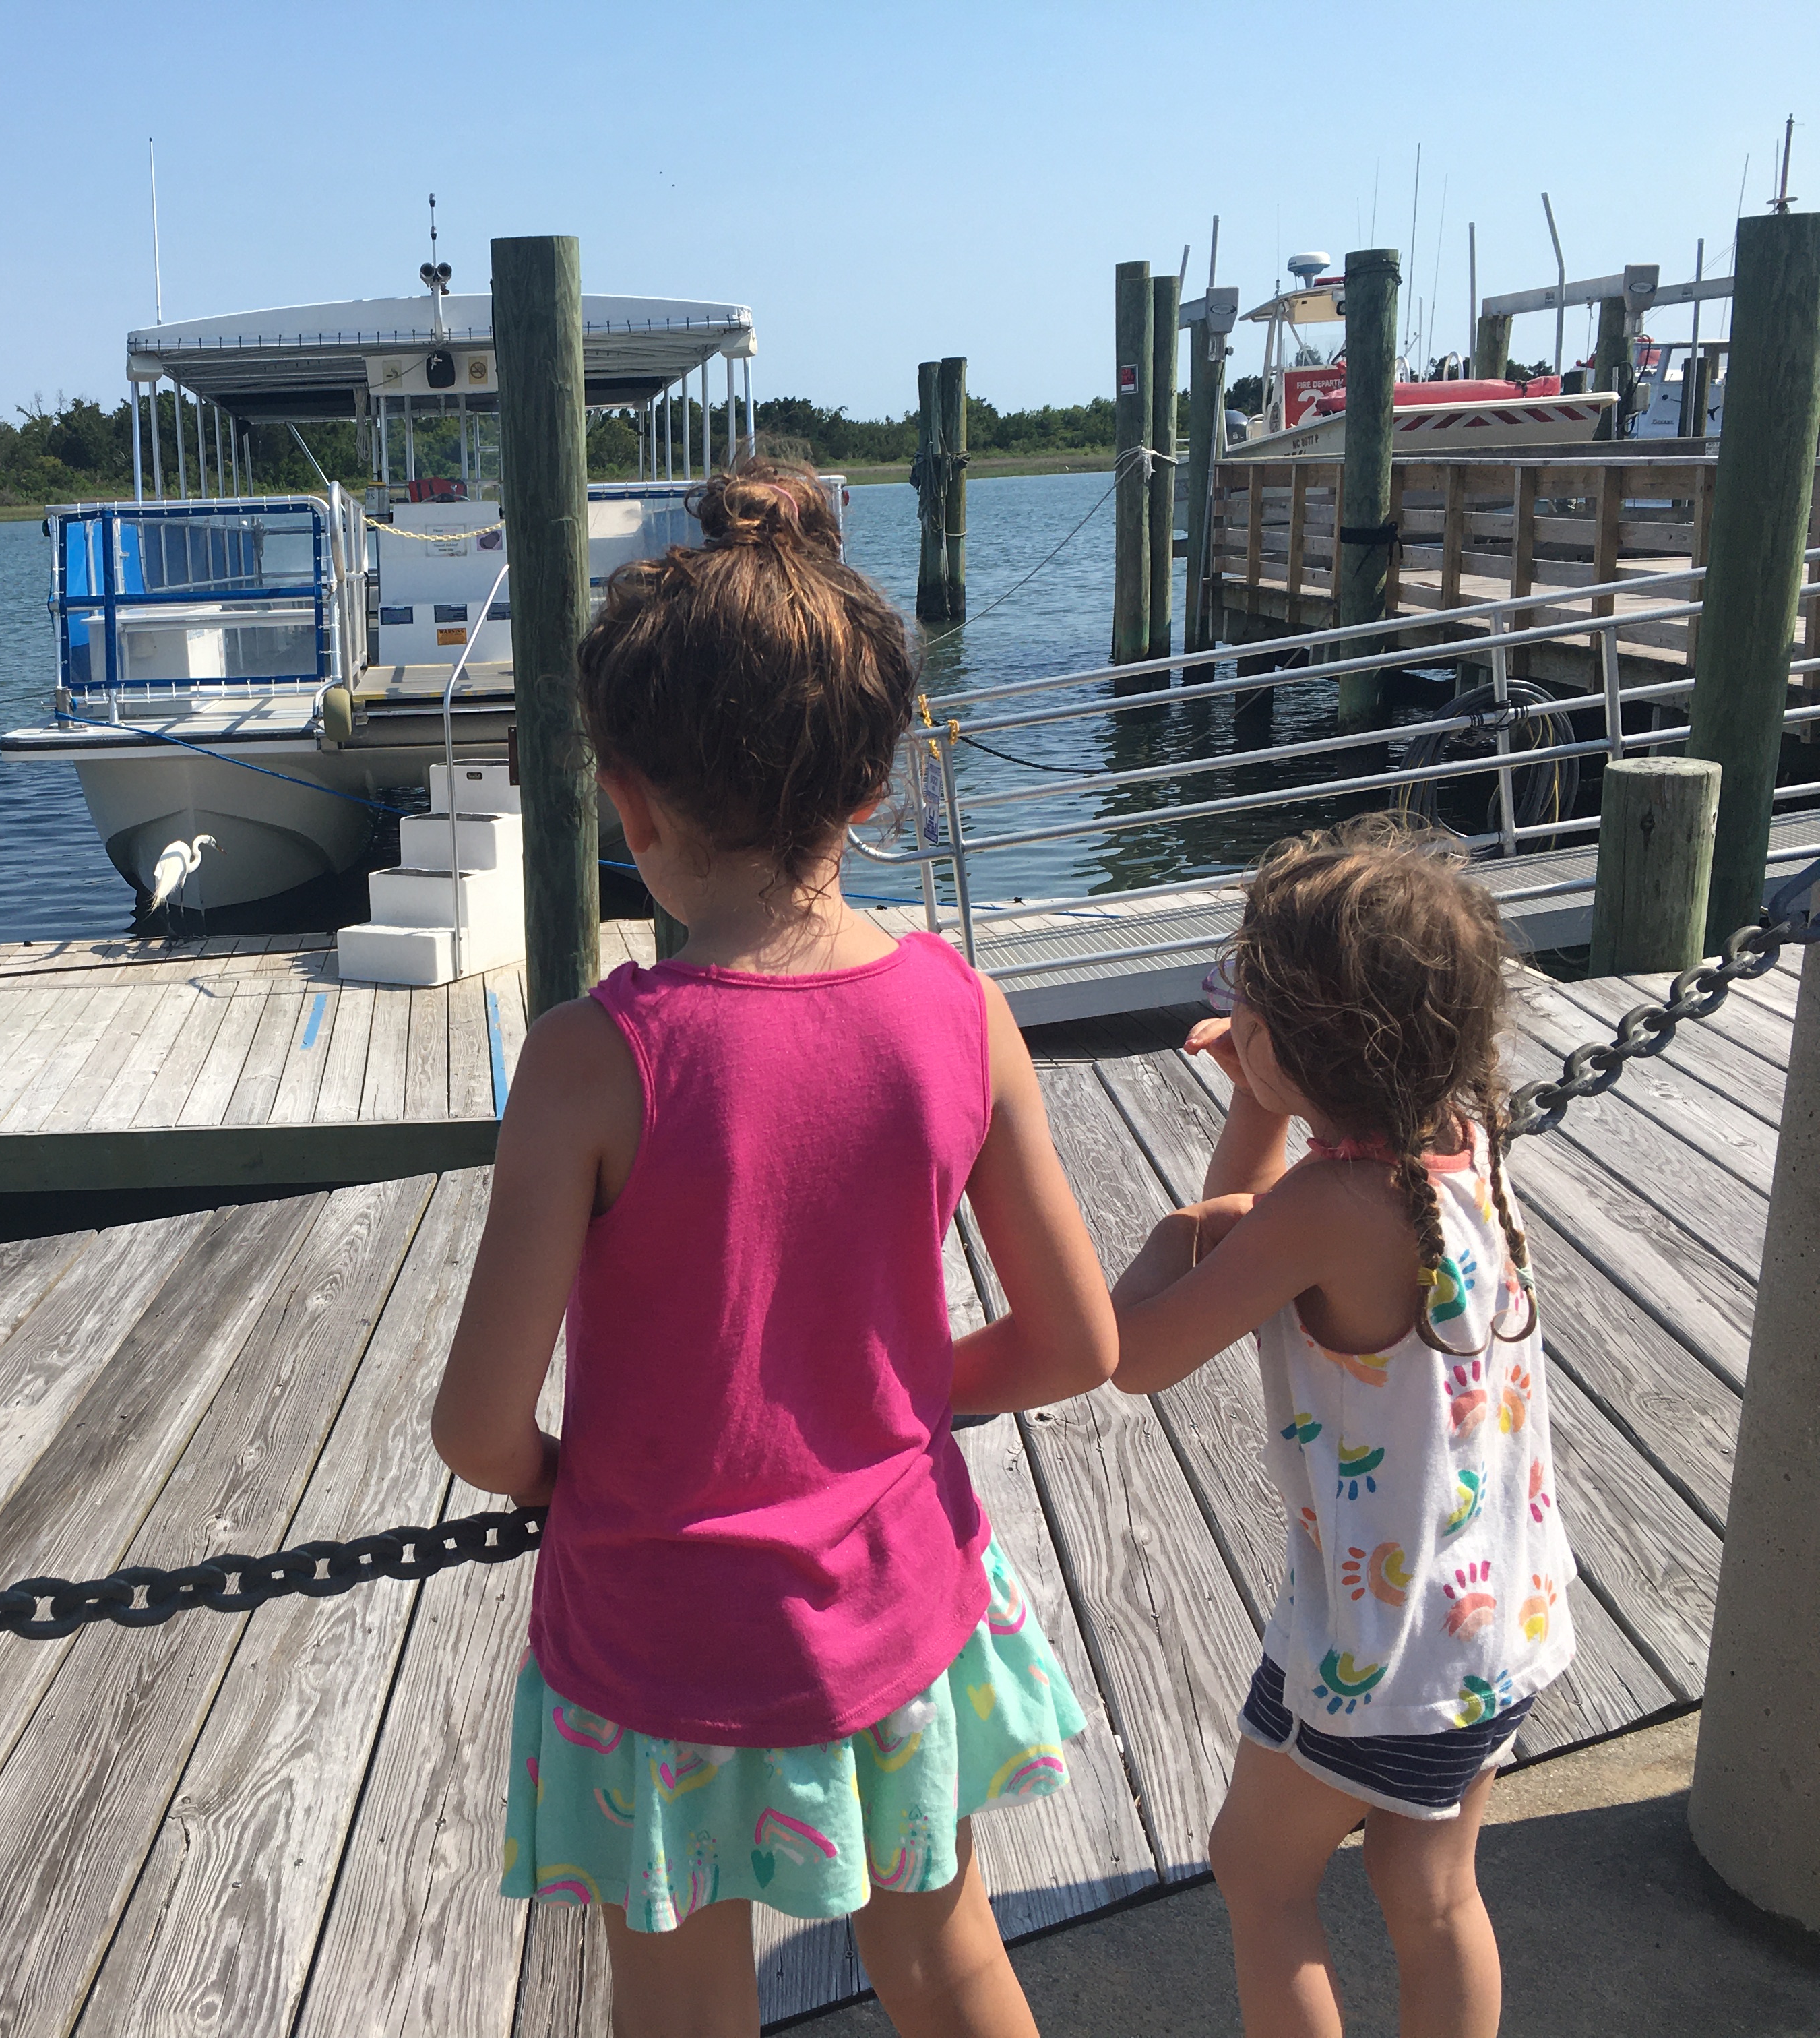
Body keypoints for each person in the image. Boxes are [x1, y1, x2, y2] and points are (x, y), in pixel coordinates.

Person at [430, 458, 1118, 2038]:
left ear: (630, 797)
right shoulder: (963, 1011)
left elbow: (477, 1427)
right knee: (946, 1959)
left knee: (681, 2004)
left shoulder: (591, 1061)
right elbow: (1077, 1344)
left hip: (656, 1644)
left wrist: (567, 1477)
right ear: (869, 790)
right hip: (899, 1600)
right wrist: (883, 1397)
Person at [1110, 817, 1577, 2038]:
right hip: (1493, 1625)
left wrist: (1171, 1236)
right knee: (1431, 1891)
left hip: (1379, 1654)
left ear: (1295, 1040)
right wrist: (1259, 1093)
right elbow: (1265, 1214)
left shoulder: (1325, 1207)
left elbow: (1138, 1358)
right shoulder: (1463, 1139)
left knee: (1257, 1873)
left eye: (1246, 999)